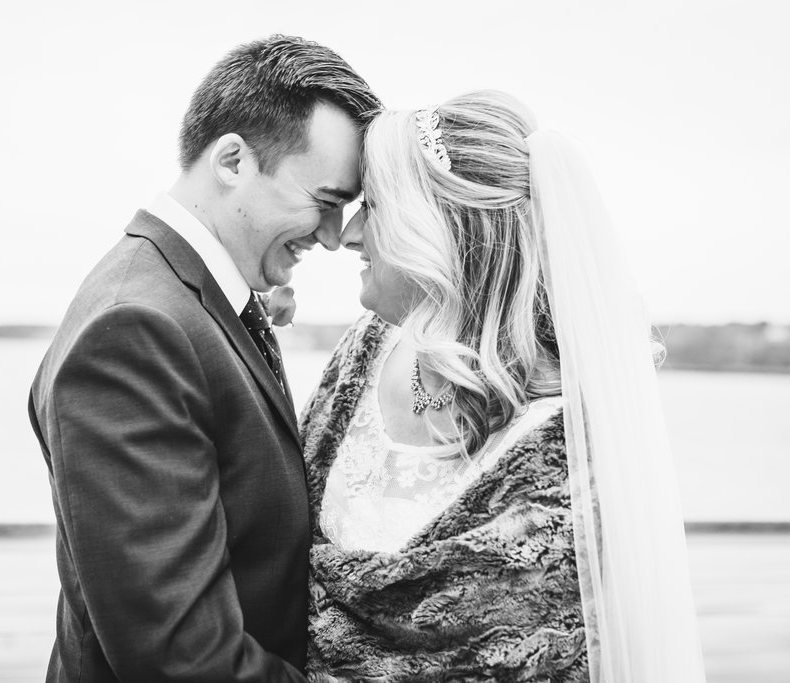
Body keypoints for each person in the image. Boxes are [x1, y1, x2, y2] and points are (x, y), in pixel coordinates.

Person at [301, 91, 706, 681]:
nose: (349, 234)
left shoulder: (568, 454)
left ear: (445, 229)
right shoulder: (365, 350)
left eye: (376, 206)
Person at [27, 35, 379, 681]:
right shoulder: (136, 331)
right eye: (326, 202)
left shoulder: (187, 295)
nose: (334, 237)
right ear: (233, 161)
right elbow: (181, 654)